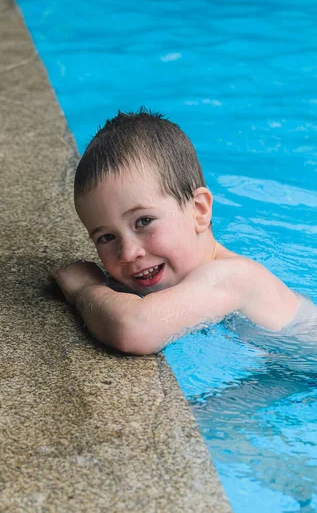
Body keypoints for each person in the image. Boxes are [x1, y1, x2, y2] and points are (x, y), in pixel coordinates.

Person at [51, 108, 307, 355]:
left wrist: (85, 289)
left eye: (144, 221)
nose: (128, 252)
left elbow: (134, 328)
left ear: (198, 210)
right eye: (107, 237)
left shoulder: (237, 277)